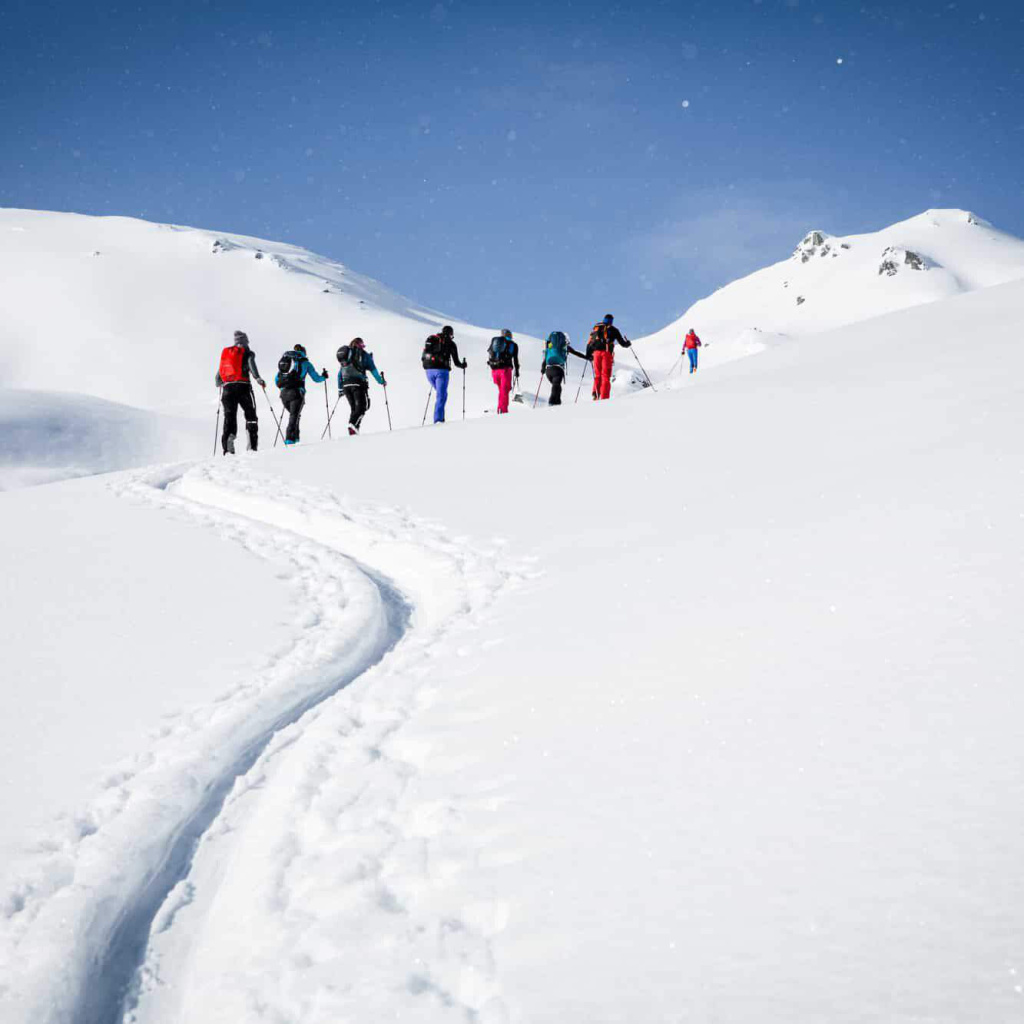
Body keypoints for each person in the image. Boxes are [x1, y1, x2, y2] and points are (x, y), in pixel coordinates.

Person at [215, 330, 265, 454]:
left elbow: (218, 376)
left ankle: (228, 449)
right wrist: (258, 378)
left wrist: (221, 383)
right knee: (250, 415)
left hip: (227, 389)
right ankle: (252, 447)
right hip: (243, 388)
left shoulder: (227, 354)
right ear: (245, 341)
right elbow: (251, 366)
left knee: (229, 417)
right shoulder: (248, 352)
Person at [275, 343, 327, 445]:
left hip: (284, 394)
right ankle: (290, 440)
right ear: (304, 353)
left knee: (295, 416)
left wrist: (284, 388)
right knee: (294, 416)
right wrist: (324, 377)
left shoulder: (287, 361)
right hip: (297, 393)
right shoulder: (306, 363)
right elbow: (316, 379)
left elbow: (277, 380)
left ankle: (296, 438)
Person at [337, 337, 386, 435]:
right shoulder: (364, 355)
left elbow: (339, 374)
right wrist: (382, 381)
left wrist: (340, 389)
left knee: (354, 409)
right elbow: (374, 372)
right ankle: (352, 424)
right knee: (362, 407)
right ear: (361, 345)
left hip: (346, 386)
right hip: (358, 384)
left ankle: (354, 430)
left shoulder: (347, 356)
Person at [421, 325, 467, 424]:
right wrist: (463, 365)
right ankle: (438, 421)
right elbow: (456, 362)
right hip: (441, 372)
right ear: (451, 334)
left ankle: (440, 418)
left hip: (428, 371)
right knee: (441, 396)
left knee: (442, 395)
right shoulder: (451, 344)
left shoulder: (434, 340)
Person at [586, 314, 631, 401]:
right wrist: (627, 343)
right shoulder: (614, 330)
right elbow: (622, 343)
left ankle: (595, 393)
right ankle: (604, 398)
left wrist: (588, 354)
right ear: (611, 320)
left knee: (598, 375)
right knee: (605, 376)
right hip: (606, 354)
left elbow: (590, 342)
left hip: (596, 354)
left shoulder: (597, 327)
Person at [540, 330, 586, 406]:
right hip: (558, 370)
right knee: (556, 385)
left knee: (557, 386)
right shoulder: (564, 346)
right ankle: (552, 403)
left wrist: (542, 369)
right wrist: (587, 357)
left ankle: (557, 403)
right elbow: (576, 353)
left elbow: (545, 358)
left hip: (548, 371)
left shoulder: (550, 346)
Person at [487, 328, 520, 414]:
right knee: (504, 391)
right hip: (505, 370)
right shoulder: (513, 345)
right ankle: (503, 412)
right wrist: (517, 371)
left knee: (501, 391)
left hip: (494, 370)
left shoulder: (496, 343)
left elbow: (489, 353)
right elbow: (515, 360)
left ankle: (500, 409)